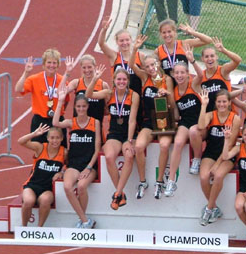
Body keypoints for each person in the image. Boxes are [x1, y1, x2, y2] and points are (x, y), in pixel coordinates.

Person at [85, 67, 140, 210]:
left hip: (129, 133)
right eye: (118, 79)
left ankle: (117, 194)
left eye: (124, 79)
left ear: (128, 81)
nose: (121, 82)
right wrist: (96, 79)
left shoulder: (134, 96)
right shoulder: (109, 94)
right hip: (114, 133)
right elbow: (88, 94)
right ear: (114, 81)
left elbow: (132, 120)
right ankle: (120, 193)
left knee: (129, 155)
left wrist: (129, 140)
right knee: (109, 157)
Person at [129, 35, 177, 199]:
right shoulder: (144, 79)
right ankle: (143, 181)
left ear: (158, 64)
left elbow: (171, 102)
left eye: (153, 64)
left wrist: (166, 93)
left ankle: (159, 182)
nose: (150, 68)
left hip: (164, 119)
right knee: (139, 146)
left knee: (164, 146)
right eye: (147, 66)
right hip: (149, 121)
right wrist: (135, 48)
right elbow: (130, 65)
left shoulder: (166, 79)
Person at [52, 86, 100, 229]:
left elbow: (97, 149)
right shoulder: (71, 122)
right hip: (73, 164)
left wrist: (89, 167)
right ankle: (85, 220)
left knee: (81, 186)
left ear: (87, 107)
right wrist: (60, 101)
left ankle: (83, 220)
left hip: (89, 165)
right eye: (78, 106)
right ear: (75, 107)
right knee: (67, 186)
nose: (81, 109)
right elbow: (55, 123)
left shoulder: (95, 122)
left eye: (83, 106)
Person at [164, 46, 204, 197]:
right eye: (177, 73)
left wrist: (192, 61)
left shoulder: (193, 84)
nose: (180, 75)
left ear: (187, 74)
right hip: (185, 122)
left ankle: (197, 159)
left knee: (194, 131)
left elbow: (201, 75)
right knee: (178, 142)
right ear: (173, 75)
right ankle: (171, 180)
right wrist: (165, 97)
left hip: (200, 122)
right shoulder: (174, 91)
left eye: (182, 72)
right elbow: (176, 115)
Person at [197, 89, 240, 226]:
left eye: (224, 102)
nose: (222, 104)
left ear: (229, 103)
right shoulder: (211, 115)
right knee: (204, 177)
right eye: (219, 102)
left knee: (218, 175)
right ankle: (214, 208)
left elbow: (231, 144)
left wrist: (217, 164)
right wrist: (203, 105)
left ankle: (209, 209)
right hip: (211, 152)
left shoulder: (235, 118)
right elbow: (200, 125)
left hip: (227, 155)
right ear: (215, 103)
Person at [15, 48, 69, 147]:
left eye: (54, 63)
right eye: (49, 62)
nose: (51, 65)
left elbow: (66, 101)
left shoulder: (63, 81)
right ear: (43, 64)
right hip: (40, 122)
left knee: (60, 153)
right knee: (39, 151)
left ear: (58, 65)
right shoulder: (34, 79)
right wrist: (26, 72)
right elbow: (18, 89)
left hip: (57, 121)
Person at [19, 124, 66, 227]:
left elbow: (71, 165)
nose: (55, 141)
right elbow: (20, 142)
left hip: (47, 189)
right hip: (32, 185)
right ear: (48, 138)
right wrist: (34, 134)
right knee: (28, 201)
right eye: (52, 138)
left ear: (62, 138)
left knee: (45, 200)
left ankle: (39, 228)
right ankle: (24, 228)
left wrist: (62, 172)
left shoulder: (64, 152)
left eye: (57, 138)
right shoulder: (40, 147)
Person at [155, 19, 211, 84]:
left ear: (174, 32)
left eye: (169, 31)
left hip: (185, 85)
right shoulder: (158, 51)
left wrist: (193, 32)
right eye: (164, 32)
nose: (167, 35)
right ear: (161, 34)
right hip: (169, 87)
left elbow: (208, 40)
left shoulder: (183, 44)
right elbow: (157, 72)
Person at [98, 17, 144, 96]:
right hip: (118, 98)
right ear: (117, 42)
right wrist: (104, 29)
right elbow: (101, 44)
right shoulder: (114, 56)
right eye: (121, 41)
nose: (125, 43)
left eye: (127, 40)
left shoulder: (140, 56)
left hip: (136, 97)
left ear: (131, 40)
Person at [60, 54, 109, 122]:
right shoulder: (76, 83)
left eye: (89, 67)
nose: (87, 70)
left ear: (94, 66)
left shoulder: (103, 85)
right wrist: (67, 72)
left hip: (96, 128)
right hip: (78, 128)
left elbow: (108, 110)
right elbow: (60, 91)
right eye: (84, 67)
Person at [200, 37, 242, 112]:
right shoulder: (200, 76)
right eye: (206, 56)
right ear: (202, 59)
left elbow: (238, 60)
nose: (209, 59)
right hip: (210, 116)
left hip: (227, 115)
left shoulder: (223, 70)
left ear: (216, 57)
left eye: (212, 56)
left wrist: (224, 50)